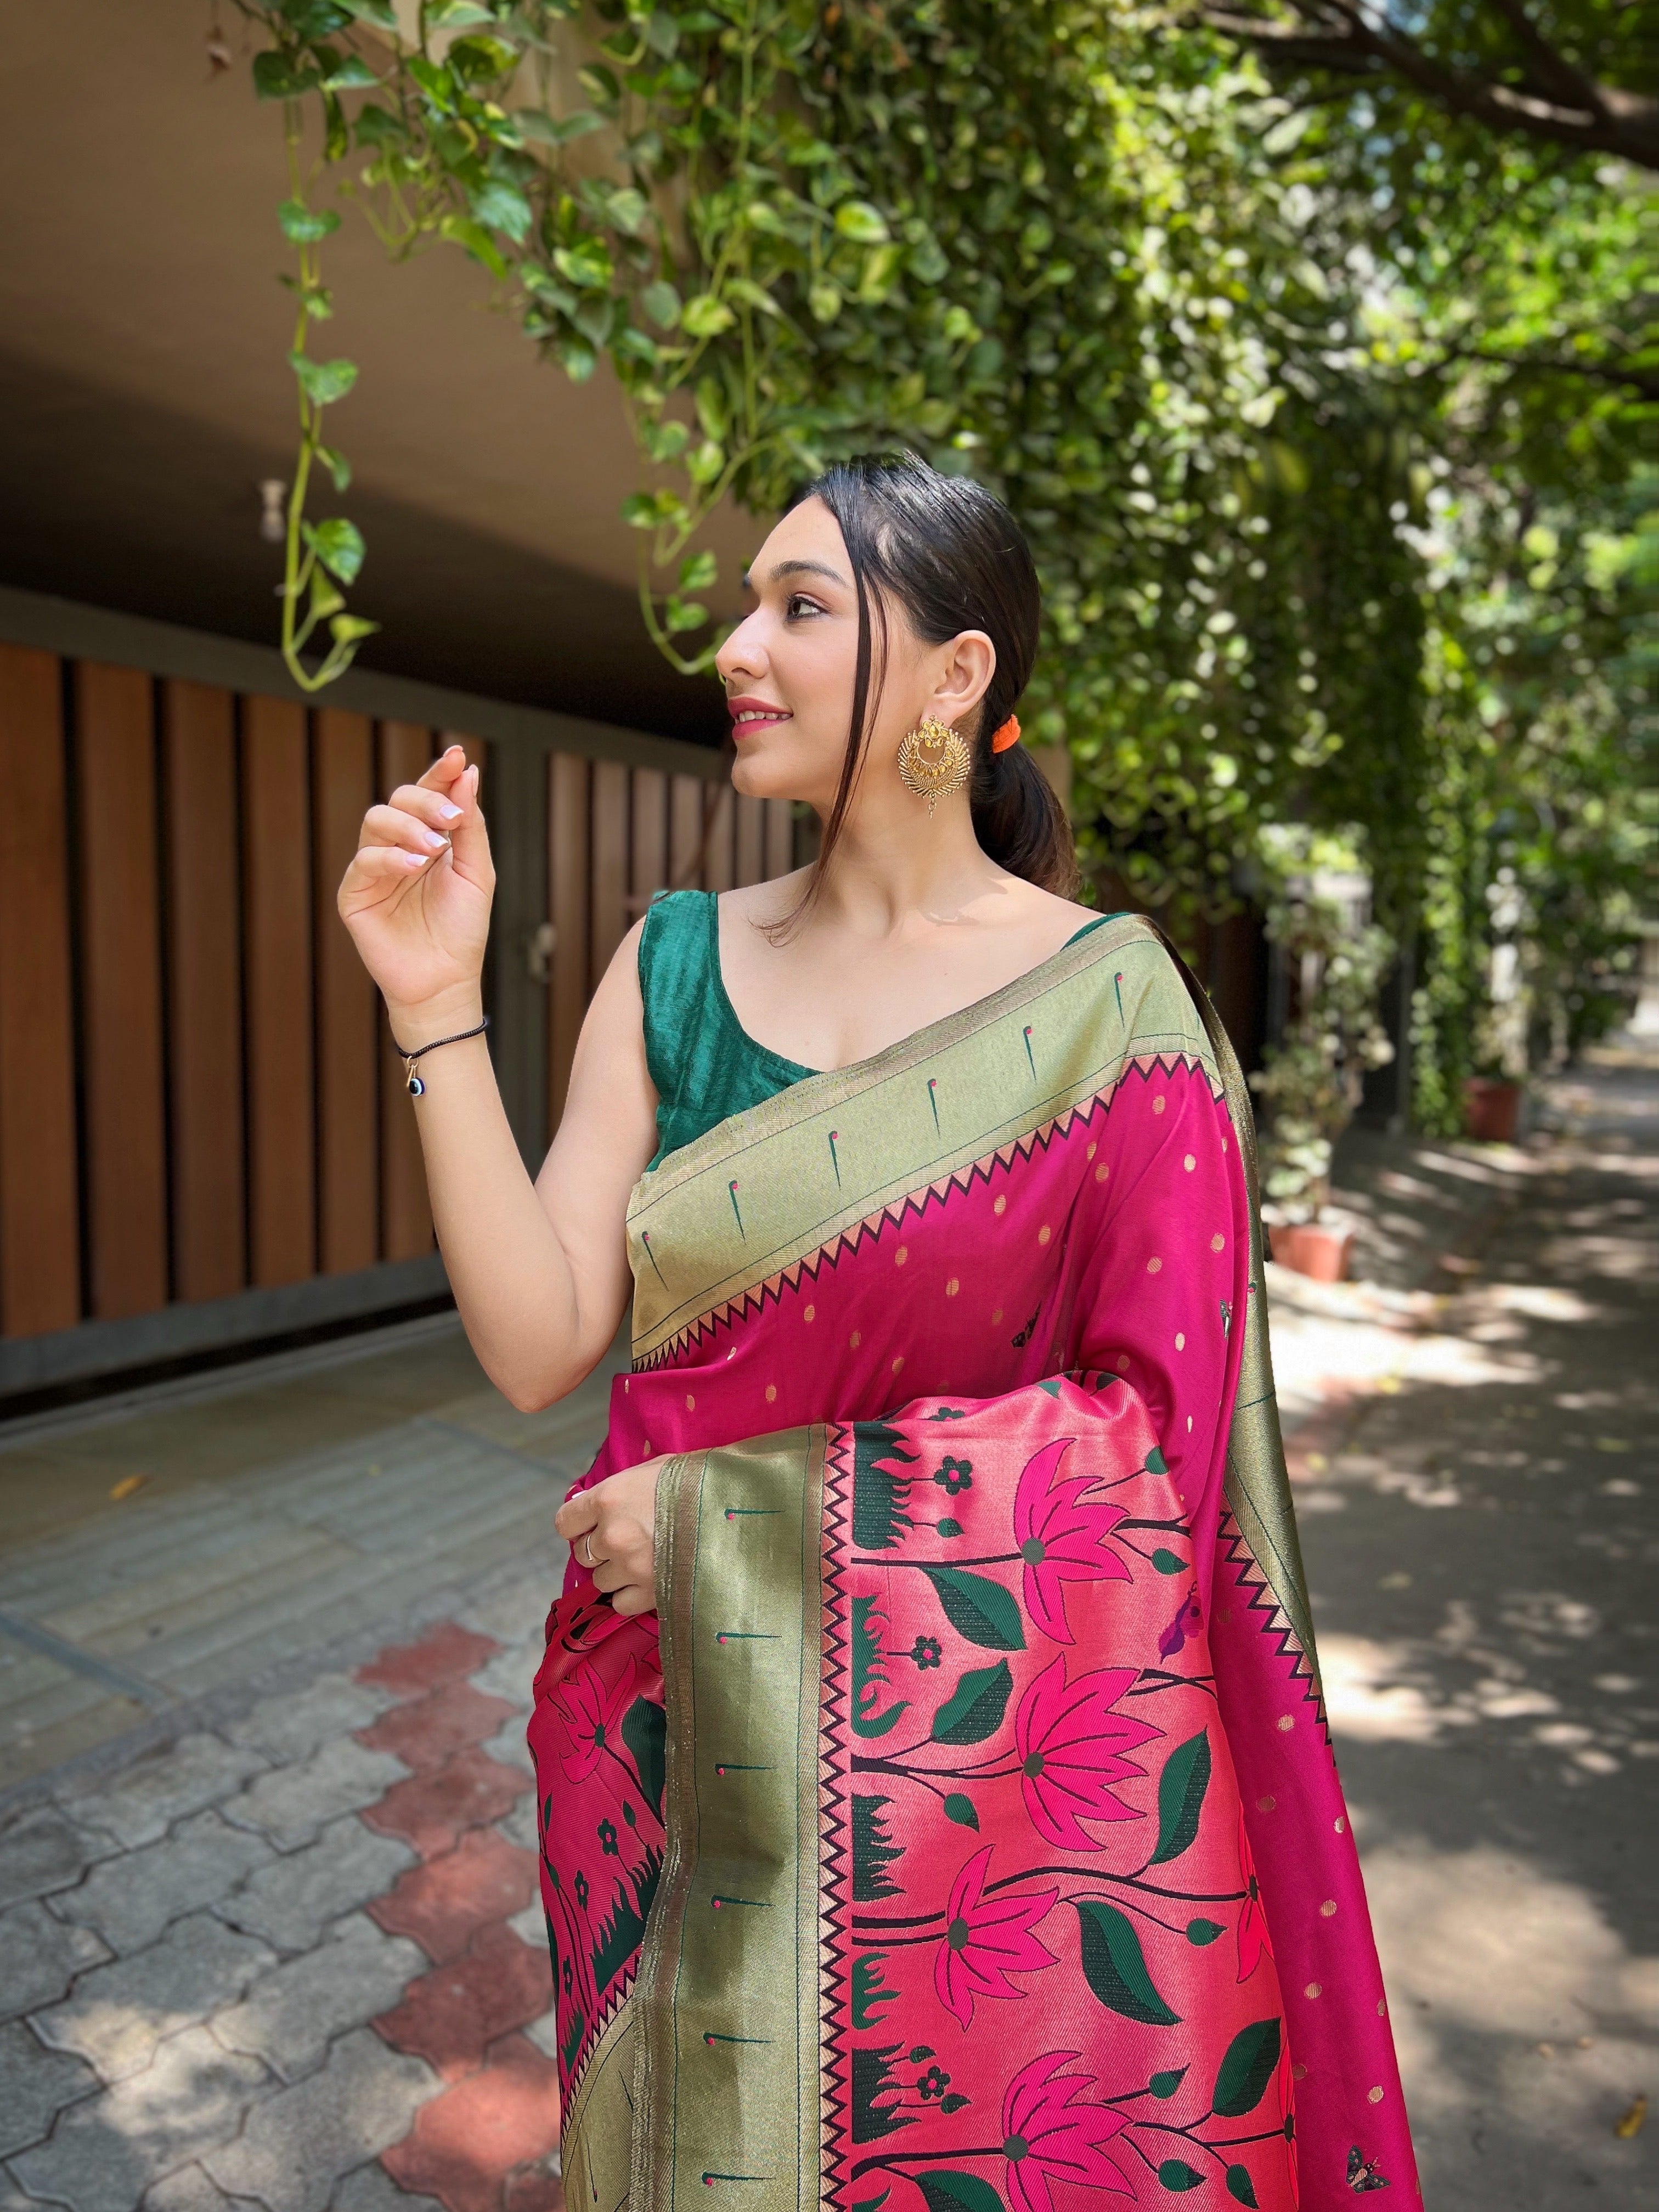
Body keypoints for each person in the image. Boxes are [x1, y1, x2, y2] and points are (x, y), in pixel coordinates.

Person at [339, 454, 1417, 2210]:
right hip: (668, 1734)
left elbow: (1153, 1451)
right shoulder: (671, 963)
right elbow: (540, 1346)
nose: (734, 645)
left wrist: (727, 1516)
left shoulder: (1115, 1020)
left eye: (801, 605)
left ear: (957, 676)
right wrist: (434, 1000)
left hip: (984, 1795)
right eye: (745, 602)